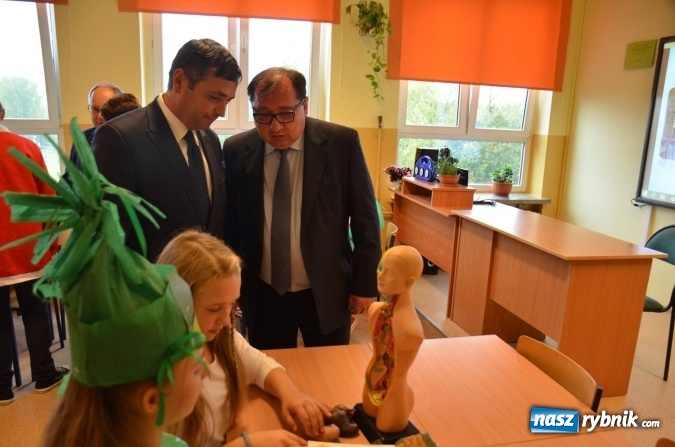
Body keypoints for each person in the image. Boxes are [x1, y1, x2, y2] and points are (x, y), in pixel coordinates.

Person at [3, 123, 207, 446]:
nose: (205, 371)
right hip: (25, 259)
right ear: (152, 398)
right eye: (195, 369)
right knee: (34, 315)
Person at [223, 67, 381, 349]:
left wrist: (364, 284)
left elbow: (365, 218)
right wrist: (229, 284)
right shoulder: (237, 150)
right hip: (264, 290)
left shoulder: (341, 143)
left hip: (327, 287)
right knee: (268, 366)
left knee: (331, 367)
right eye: (263, 115)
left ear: (304, 106)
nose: (275, 126)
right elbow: (231, 225)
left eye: (286, 113)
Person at [158, 230, 332, 447]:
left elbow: (260, 365)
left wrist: (291, 395)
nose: (226, 321)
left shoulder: (222, 338)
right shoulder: (158, 372)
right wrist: (246, 444)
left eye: (232, 305)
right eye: (214, 308)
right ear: (177, 303)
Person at [93, 38, 241, 262]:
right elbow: (111, 241)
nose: (221, 111)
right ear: (179, 81)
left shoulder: (210, 139)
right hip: (152, 282)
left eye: (227, 101)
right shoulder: (120, 138)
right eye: (214, 98)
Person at [0, 101, 69, 405]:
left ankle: (2, 388)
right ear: (3, 114)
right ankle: (44, 374)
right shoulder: (26, 147)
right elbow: (48, 200)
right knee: (35, 311)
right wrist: (49, 245)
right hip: (27, 246)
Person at [361, 245, 424, 434]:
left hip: (396, 390)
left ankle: (404, 403)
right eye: (380, 268)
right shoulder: (376, 311)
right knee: (368, 414)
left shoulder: (410, 330)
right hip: (372, 380)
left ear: (408, 282)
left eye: (388, 273)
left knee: (386, 428)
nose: (380, 276)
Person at [69, 82, 123, 170]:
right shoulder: (81, 138)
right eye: (95, 109)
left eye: (105, 109)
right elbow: (70, 175)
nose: (100, 116)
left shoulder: (129, 140)